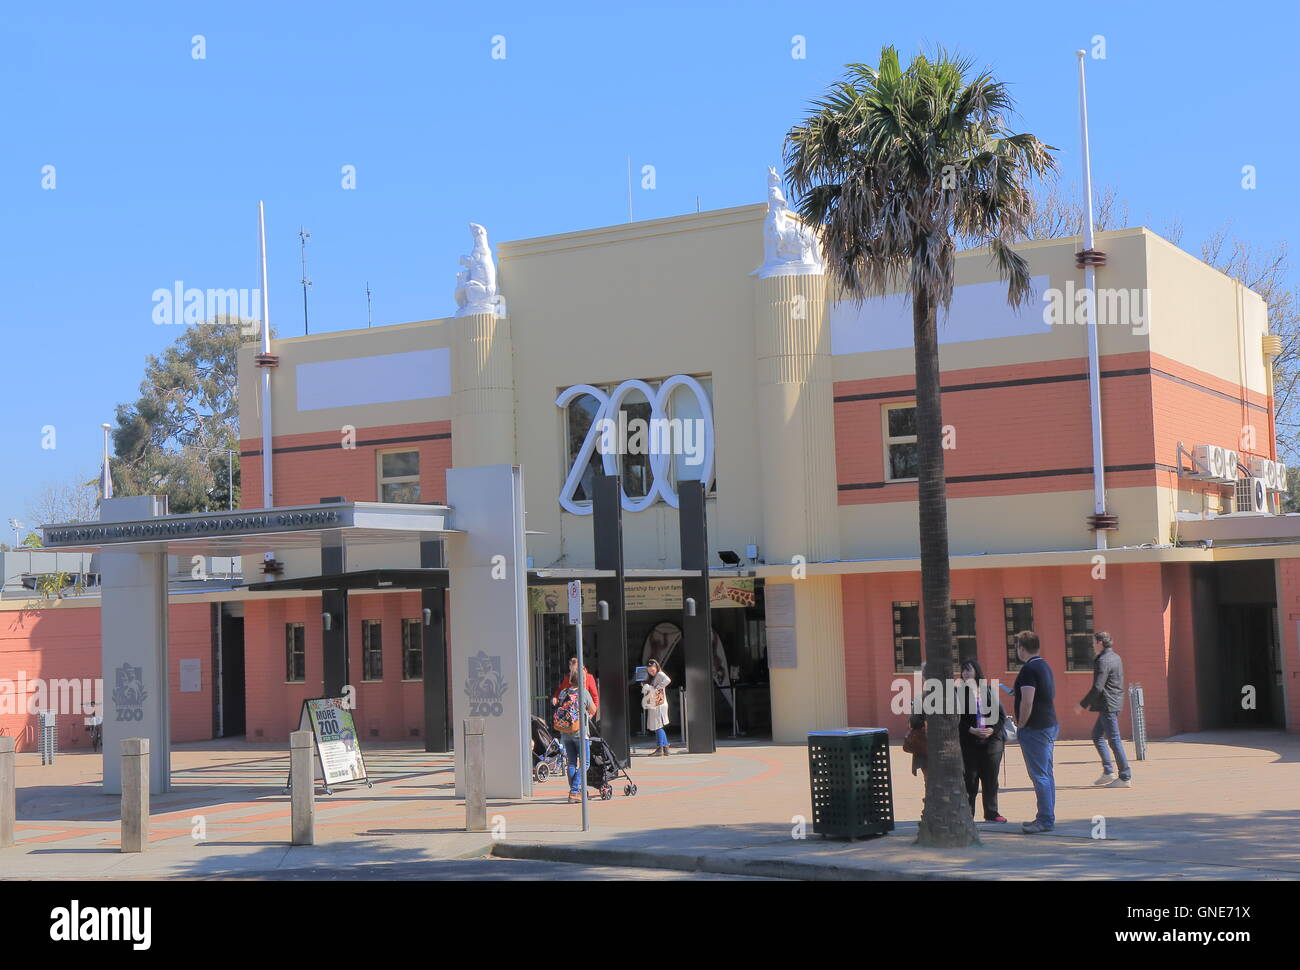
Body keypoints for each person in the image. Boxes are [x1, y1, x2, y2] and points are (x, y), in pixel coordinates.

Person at [1012, 630, 1058, 833]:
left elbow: (1027, 701)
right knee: (1046, 773)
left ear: (1022, 648)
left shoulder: (1028, 670)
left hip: (1035, 728)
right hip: (1048, 724)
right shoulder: (1044, 666)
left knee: (1039, 775)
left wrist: (1021, 723)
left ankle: (1045, 819)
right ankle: (1046, 816)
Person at [1075, 631, 1132, 788]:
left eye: (1094, 642)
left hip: (1108, 705)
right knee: (1097, 735)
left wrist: (1082, 704)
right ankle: (1108, 771)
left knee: (1114, 740)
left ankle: (1125, 776)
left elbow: (1098, 687)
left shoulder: (1103, 660)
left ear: (1100, 643)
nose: (1092, 645)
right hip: (1114, 702)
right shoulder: (1115, 657)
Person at [957, 658, 1007, 823]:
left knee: (990, 778)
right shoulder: (957, 692)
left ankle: (992, 812)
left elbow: (1001, 716)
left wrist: (992, 730)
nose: (965, 673)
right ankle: (968, 814)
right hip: (969, 741)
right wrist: (971, 730)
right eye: (963, 670)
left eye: (969, 669)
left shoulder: (988, 691)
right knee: (970, 779)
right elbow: (955, 719)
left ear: (976, 672)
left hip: (991, 742)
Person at [552, 665, 597, 803]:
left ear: (571, 679)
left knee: (571, 762)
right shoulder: (584, 693)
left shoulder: (563, 693)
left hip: (565, 733)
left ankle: (575, 791)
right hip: (580, 733)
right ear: (582, 680)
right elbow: (593, 708)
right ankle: (574, 791)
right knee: (585, 763)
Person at [551, 656, 600, 720]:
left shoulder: (589, 678)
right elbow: (560, 690)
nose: (572, 674)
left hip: (583, 716)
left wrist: (591, 714)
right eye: (571, 671)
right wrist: (555, 697)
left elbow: (595, 697)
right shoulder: (567, 679)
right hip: (568, 717)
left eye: (574, 671)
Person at [641, 658, 672, 756]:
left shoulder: (660, 674)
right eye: (649, 671)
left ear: (656, 667)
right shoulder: (656, 676)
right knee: (658, 726)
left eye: (652, 670)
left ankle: (660, 748)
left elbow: (668, 680)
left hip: (659, 704)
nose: (651, 672)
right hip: (658, 703)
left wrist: (657, 688)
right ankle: (665, 747)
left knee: (657, 726)